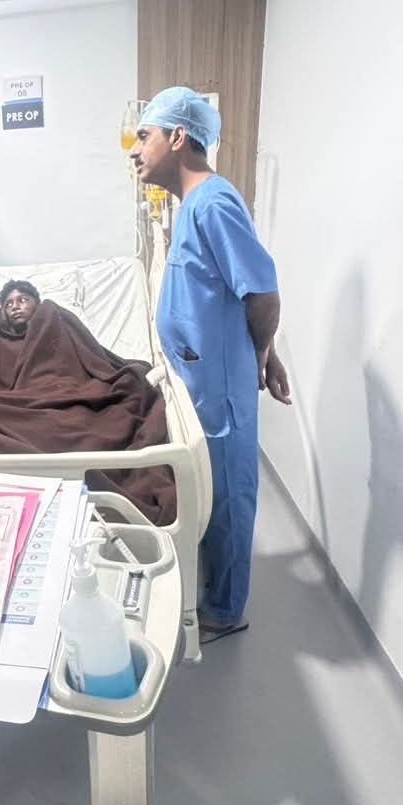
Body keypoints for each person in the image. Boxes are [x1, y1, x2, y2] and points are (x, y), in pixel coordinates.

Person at [131, 87, 291, 642]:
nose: (134, 149)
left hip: (218, 386)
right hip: (200, 378)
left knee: (228, 495)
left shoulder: (213, 203)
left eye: (144, 135)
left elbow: (263, 291)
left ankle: (225, 610)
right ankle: (212, 588)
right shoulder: (192, 206)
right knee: (209, 489)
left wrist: (261, 354)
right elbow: (223, 292)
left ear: (178, 137)